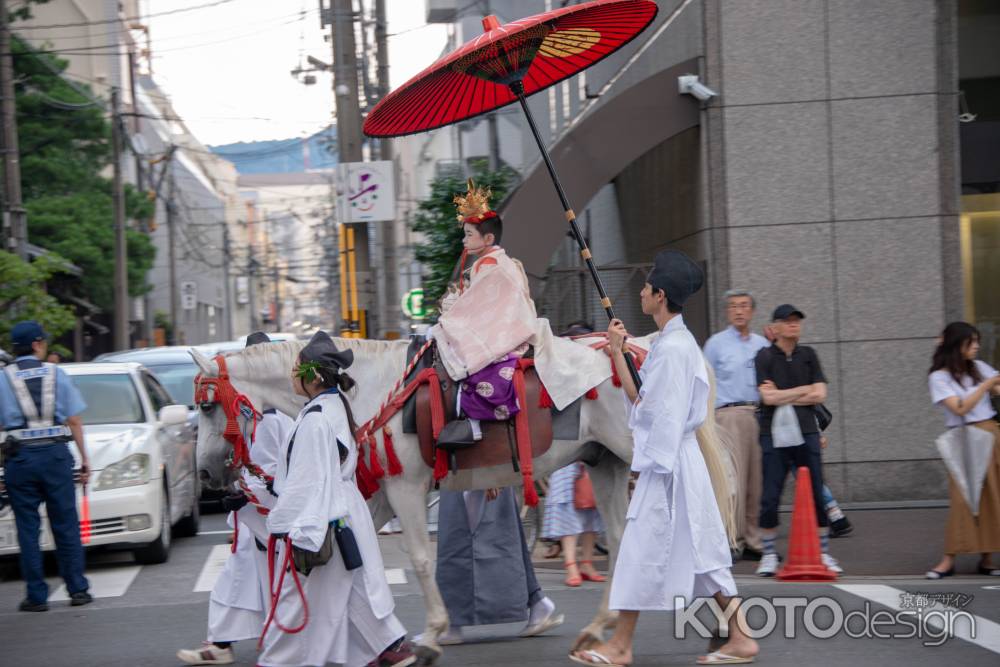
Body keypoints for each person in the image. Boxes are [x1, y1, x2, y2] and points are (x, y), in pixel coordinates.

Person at [570, 250, 759, 666]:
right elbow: (644, 401)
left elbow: (662, 416)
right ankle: (741, 636)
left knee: (642, 549)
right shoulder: (675, 344)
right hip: (675, 460)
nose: (641, 292)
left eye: (646, 287)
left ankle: (622, 645)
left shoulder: (674, 348)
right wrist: (617, 352)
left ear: (659, 296)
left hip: (669, 464)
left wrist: (647, 466)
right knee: (699, 551)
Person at [259, 331, 415, 667]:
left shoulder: (315, 419)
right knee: (350, 588)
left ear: (313, 377)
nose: (291, 376)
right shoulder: (331, 406)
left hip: (325, 515)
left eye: (296, 369)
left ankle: (279, 661)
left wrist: (287, 524)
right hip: (340, 510)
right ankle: (386, 646)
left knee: (302, 599)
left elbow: (308, 481)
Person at [178, 332, 294, 666]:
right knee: (239, 578)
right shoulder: (266, 408)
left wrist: (244, 497)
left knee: (261, 580)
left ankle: (244, 642)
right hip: (260, 514)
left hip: (268, 515)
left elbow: (269, 471)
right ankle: (222, 642)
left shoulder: (269, 414)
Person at [430, 179, 537, 443]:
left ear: (488, 238)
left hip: (506, 335)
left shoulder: (492, 265)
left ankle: (475, 423)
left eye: (469, 235)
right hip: (502, 328)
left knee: (473, 364)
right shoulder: (493, 262)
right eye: (465, 234)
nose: (464, 240)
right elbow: (477, 304)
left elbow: (476, 308)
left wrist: (451, 310)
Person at [0, 320, 92, 612]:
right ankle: (77, 590)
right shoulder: (56, 373)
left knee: (28, 528)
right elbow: (74, 420)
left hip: (20, 459)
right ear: (37, 344)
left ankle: (36, 596)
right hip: (55, 456)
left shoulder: (2, 378)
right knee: (65, 524)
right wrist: (84, 458)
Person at [754, 305, 842, 577]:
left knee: (817, 490)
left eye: (797, 321)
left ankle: (823, 552)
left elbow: (820, 394)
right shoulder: (764, 356)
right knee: (770, 495)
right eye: (787, 321)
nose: (794, 325)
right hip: (773, 433)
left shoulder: (809, 355)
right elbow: (767, 398)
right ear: (775, 327)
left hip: (807, 431)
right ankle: (769, 554)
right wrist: (805, 390)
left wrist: (785, 394)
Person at [424, 486, 564, 646]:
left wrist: (487, 479)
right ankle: (537, 600)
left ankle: (451, 622)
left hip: (474, 476)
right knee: (500, 534)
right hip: (473, 475)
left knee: (460, 536)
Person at [925, 321, 1000, 579]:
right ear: (957, 345)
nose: (976, 346)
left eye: (977, 341)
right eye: (971, 342)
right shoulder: (939, 377)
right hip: (964, 437)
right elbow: (959, 408)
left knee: (991, 496)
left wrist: (992, 383)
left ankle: (987, 558)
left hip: (989, 432)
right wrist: (986, 385)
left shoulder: (979, 367)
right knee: (962, 500)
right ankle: (948, 560)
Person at [703, 289, 770, 559]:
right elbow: (705, 384)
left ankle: (753, 539)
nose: (739, 311)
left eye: (744, 305)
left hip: (758, 415)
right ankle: (731, 539)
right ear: (727, 312)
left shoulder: (762, 344)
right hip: (727, 416)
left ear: (752, 311)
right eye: (733, 306)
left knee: (756, 482)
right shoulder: (715, 344)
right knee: (731, 481)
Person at [541, 462, 606, 587]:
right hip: (566, 463)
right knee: (567, 512)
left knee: (591, 508)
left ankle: (586, 563)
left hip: (589, 461)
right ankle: (571, 566)